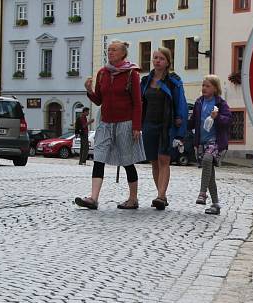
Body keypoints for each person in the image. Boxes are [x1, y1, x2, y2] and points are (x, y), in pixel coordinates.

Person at [74, 40, 145, 210]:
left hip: (125, 123)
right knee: (98, 158)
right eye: (108, 50)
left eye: (114, 50)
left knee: (128, 161)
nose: (110, 52)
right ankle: (93, 198)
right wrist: (90, 91)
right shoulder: (103, 73)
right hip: (105, 123)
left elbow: (137, 102)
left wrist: (136, 126)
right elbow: (99, 100)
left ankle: (133, 199)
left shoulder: (131, 74)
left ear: (123, 53)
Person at [140, 47, 188, 210]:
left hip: (167, 125)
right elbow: (139, 102)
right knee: (154, 161)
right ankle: (162, 194)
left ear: (168, 62)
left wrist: (180, 128)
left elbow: (181, 103)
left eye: (161, 58)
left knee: (164, 160)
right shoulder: (146, 81)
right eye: (155, 58)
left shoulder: (174, 81)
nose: (157, 61)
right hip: (148, 124)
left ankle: (160, 196)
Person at [188, 75, 231, 215]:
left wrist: (217, 117)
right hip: (202, 142)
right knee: (210, 173)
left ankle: (202, 193)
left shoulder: (220, 103)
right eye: (203, 85)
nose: (204, 88)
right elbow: (193, 121)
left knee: (207, 160)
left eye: (207, 86)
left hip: (216, 142)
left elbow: (228, 120)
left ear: (215, 88)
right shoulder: (199, 102)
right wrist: (180, 129)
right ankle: (216, 204)